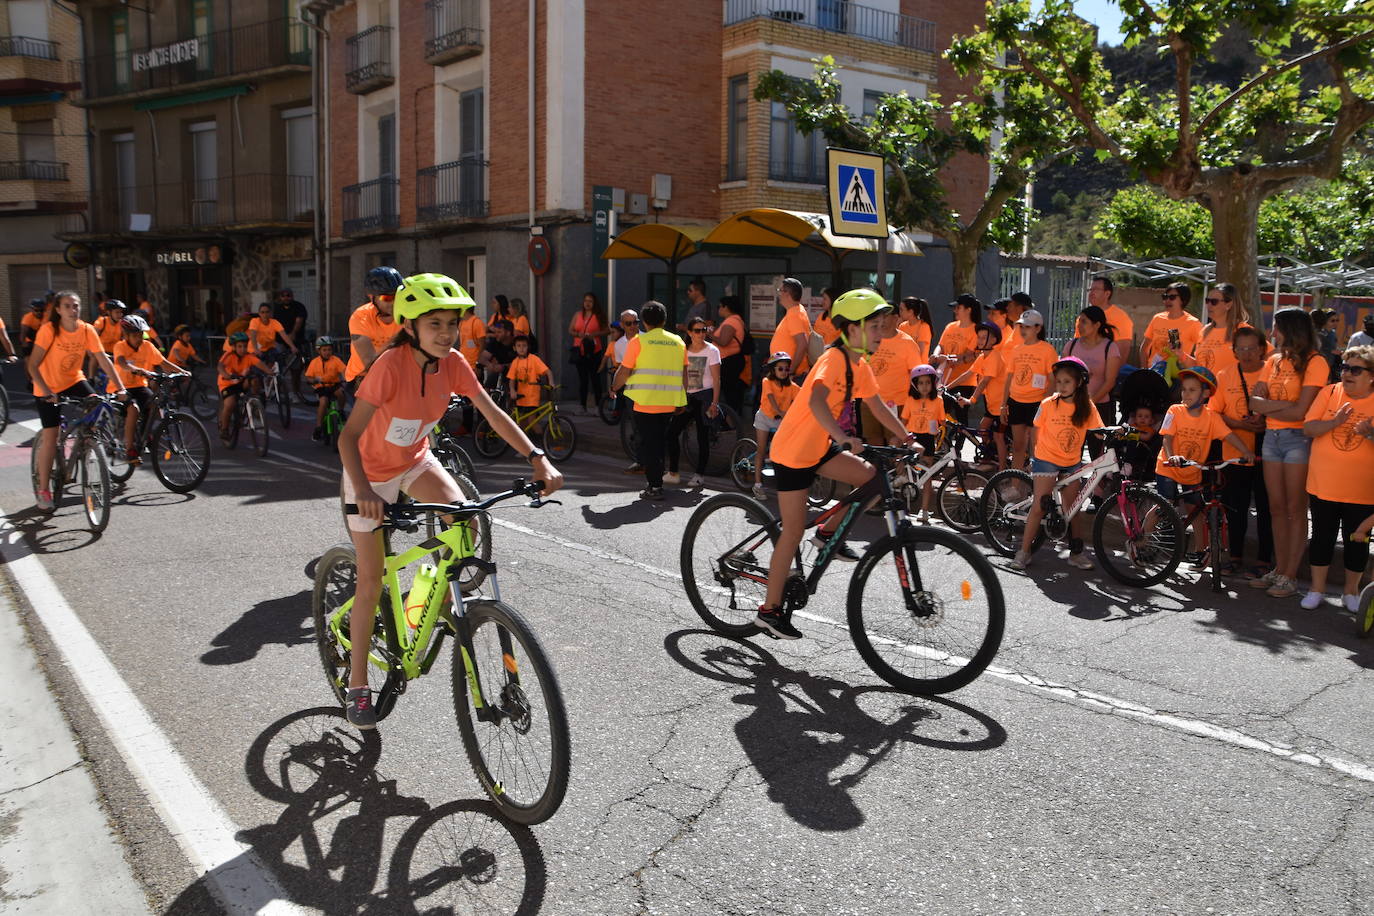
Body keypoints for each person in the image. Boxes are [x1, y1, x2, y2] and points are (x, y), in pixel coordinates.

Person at [339, 272, 561, 729]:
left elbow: (493, 412)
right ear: (410, 327)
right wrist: (362, 491)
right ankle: (358, 684)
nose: (446, 333)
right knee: (370, 579)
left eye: (451, 324)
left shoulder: (455, 362)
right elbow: (348, 437)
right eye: (434, 324)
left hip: (416, 461)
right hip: (370, 472)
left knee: (467, 520)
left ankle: (436, 604)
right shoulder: (389, 366)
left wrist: (537, 457)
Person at [754, 289, 917, 640]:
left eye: (882, 325)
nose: (881, 332)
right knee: (792, 532)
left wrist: (907, 439)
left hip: (819, 447)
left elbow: (877, 405)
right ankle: (768, 611)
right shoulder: (834, 359)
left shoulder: (860, 364)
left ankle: (827, 533)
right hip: (793, 453)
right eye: (874, 326)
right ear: (852, 330)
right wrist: (841, 437)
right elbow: (815, 401)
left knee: (872, 479)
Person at [1247, 307, 1327, 598]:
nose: (1272, 333)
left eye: (1277, 327)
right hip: (1271, 436)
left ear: (1290, 329)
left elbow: (1302, 411)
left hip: (1298, 439)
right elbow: (1254, 402)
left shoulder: (1315, 362)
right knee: (1276, 508)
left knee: (1295, 509)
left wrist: (1270, 405)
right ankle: (1279, 570)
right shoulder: (1274, 360)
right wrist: (1281, 407)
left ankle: (1290, 575)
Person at [29, 292, 126, 509]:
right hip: (46, 386)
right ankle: (44, 489)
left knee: (98, 402)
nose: (73, 310)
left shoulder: (87, 330)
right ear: (58, 310)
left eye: (76, 306)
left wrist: (120, 387)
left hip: (74, 380)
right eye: (68, 306)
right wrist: (46, 391)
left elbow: (103, 359)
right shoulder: (49, 330)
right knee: (51, 436)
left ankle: (87, 442)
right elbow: (32, 365)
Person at [1299, 344, 1374, 612]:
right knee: (1321, 537)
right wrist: (1334, 422)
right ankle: (1316, 589)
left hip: (1363, 489)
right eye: (1344, 367)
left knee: (1357, 540)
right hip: (1324, 484)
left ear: (1371, 376)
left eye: (1356, 369)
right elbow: (1308, 428)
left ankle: (1351, 592)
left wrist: (1370, 433)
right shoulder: (1329, 392)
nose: (1347, 373)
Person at [1155, 366, 1256, 563]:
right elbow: (1166, 438)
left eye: (1192, 390)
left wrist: (1245, 452)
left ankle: (1200, 551)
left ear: (1206, 393)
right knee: (1163, 505)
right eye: (1184, 389)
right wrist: (1172, 457)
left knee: (1197, 509)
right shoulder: (1174, 410)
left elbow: (1229, 436)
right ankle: (1140, 544)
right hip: (1168, 466)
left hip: (1192, 469)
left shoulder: (1212, 417)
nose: (1186, 394)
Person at [1011, 356, 1101, 571]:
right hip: (1047, 460)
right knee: (1039, 507)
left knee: (1073, 509)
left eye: (1067, 382)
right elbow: (1035, 429)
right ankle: (1024, 552)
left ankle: (1076, 554)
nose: (1061, 386)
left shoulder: (1086, 406)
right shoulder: (1048, 404)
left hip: (1071, 462)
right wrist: (1034, 457)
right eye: (1058, 382)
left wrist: (1115, 433)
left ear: (1079, 383)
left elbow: (1098, 431)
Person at [1209, 327, 1273, 578]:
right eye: (1241, 348)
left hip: (1268, 449)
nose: (1246, 354)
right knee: (1235, 506)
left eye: (1252, 348)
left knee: (1267, 508)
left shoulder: (1272, 372)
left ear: (1262, 349)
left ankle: (1264, 560)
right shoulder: (1224, 375)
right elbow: (1214, 414)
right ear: (1234, 351)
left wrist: (1265, 421)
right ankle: (1233, 556)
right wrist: (1241, 424)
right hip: (1234, 451)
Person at [611, 301, 686, 501]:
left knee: (651, 445)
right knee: (659, 442)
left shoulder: (637, 342)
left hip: (644, 403)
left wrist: (613, 387)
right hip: (669, 403)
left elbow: (624, 371)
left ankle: (654, 486)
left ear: (643, 322)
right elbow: (684, 374)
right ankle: (656, 481)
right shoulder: (678, 341)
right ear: (664, 319)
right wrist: (682, 400)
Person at [111, 314, 183, 465]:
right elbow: (122, 363)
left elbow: (163, 362)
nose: (139, 338)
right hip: (120, 387)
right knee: (134, 409)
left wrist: (182, 371)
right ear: (126, 335)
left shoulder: (147, 346)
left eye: (141, 334)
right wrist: (137, 370)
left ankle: (145, 434)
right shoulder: (120, 346)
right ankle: (130, 449)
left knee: (155, 406)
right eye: (135, 335)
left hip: (139, 386)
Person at [665, 317, 721, 488]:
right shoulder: (683, 349)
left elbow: (717, 379)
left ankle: (699, 474)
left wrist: (714, 403)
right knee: (671, 433)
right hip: (686, 397)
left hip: (705, 396)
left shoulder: (712, 350)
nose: (701, 334)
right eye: (697, 331)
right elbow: (679, 375)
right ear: (689, 332)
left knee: (702, 437)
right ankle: (673, 472)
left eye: (704, 330)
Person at [1002, 309, 1057, 470]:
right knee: (1018, 447)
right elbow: (1009, 378)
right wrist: (1003, 405)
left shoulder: (1047, 350)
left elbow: (1052, 380)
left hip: (1037, 404)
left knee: (1036, 446)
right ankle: (1015, 484)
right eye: (1021, 327)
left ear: (1038, 328)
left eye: (1027, 327)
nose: (1023, 330)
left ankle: (1036, 485)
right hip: (1016, 402)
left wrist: (1044, 404)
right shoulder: (1016, 349)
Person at [1063, 305, 1124, 450]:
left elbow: (1110, 382)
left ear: (1097, 325)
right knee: (1069, 451)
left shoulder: (1109, 348)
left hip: (1099, 407)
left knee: (1098, 453)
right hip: (1072, 406)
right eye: (1079, 321)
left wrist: (1090, 403)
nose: (1079, 325)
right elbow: (1062, 376)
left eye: (1084, 321)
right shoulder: (1071, 345)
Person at [861, 305, 922, 444]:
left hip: (896, 403)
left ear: (896, 318)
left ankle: (896, 466)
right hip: (869, 401)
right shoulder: (870, 338)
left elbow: (917, 375)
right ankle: (879, 467)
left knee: (896, 443)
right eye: (879, 316)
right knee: (874, 443)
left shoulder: (907, 343)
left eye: (885, 315)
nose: (881, 320)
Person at [951, 321, 1008, 469]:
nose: (980, 340)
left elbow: (984, 382)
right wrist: (947, 386)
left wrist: (971, 400)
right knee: (983, 427)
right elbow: (968, 373)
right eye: (979, 337)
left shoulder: (994, 356)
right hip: (992, 405)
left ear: (994, 340)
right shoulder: (982, 356)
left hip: (1002, 405)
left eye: (984, 337)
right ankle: (990, 455)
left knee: (998, 436)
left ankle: (1002, 470)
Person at [902, 364, 946, 524]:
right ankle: (904, 507)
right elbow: (903, 420)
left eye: (927, 382)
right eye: (920, 383)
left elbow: (942, 421)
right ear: (915, 384)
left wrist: (941, 425)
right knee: (907, 474)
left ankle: (925, 509)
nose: (924, 386)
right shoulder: (910, 400)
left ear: (933, 383)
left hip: (928, 439)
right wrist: (901, 436)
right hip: (912, 438)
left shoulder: (938, 401)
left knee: (927, 476)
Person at [751, 351, 798, 499]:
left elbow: (803, 396)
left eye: (786, 369)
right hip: (764, 417)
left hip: (780, 420)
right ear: (773, 370)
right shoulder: (767, 382)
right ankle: (757, 485)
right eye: (780, 369)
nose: (784, 372)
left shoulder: (791, 386)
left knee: (783, 450)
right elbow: (770, 398)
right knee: (761, 449)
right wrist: (781, 411)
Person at [347, 267, 404, 386]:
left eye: (397, 296)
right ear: (371, 297)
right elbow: (369, 361)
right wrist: (402, 334)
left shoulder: (408, 315)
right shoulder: (360, 317)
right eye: (387, 298)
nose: (394, 302)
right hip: (363, 376)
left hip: (396, 375)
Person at [1183, 283, 1251, 375]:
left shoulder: (1243, 330)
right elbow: (1199, 367)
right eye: (1207, 301)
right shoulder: (1205, 331)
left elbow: (1269, 356)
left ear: (1229, 304)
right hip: (1207, 389)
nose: (1209, 305)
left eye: (1214, 302)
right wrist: (1180, 355)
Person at [217, 331, 271, 442]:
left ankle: (255, 403)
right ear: (234, 347)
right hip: (227, 384)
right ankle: (224, 429)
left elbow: (259, 364)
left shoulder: (248, 356)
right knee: (230, 404)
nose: (243, 349)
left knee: (255, 379)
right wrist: (226, 375)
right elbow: (220, 366)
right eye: (240, 347)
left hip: (241, 381)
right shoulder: (228, 355)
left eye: (245, 346)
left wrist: (270, 371)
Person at [934, 295, 982, 411]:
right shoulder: (950, 326)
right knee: (942, 415)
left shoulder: (976, 330)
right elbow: (941, 345)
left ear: (968, 310)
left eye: (958, 307)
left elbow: (968, 354)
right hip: (945, 380)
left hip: (964, 382)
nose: (955, 310)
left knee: (960, 418)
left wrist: (947, 358)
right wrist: (935, 355)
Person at [1140, 281, 1203, 368]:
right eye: (1165, 297)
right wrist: (1144, 370)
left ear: (1183, 300)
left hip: (1177, 375)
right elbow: (1144, 348)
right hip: (1154, 372)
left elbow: (1202, 355)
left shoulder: (1193, 323)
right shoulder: (1157, 318)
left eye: (1172, 297)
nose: (1167, 300)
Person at [568, 291, 606, 413]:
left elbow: (607, 330)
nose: (587, 303)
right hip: (580, 350)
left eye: (590, 301)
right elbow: (570, 330)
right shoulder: (578, 315)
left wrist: (594, 335)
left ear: (594, 303)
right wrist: (578, 334)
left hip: (594, 350)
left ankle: (597, 407)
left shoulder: (598, 315)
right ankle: (582, 406)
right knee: (583, 380)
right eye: (585, 301)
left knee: (595, 379)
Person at [305, 336, 347, 440]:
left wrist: (345, 379)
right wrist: (313, 381)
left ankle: (341, 411)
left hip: (334, 385)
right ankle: (318, 427)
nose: (327, 352)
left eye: (329, 349)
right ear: (318, 351)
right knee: (323, 402)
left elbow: (343, 370)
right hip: (321, 387)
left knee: (341, 393)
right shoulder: (314, 362)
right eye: (324, 350)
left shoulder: (336, 360)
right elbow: (308, 376)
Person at [713, 295, 749, 415]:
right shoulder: (737, 320)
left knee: (728, 393)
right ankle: (731, 419)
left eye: (719, 306)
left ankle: (728, 420)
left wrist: (709, 333)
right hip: (732, 360)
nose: (718, 309)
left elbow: (723, 342)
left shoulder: (731, 321)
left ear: (726, 307)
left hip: (728, 362)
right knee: (731, 392)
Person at [768, 278, 812, 375]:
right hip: (785, 373)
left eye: (780, 290)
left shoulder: (794, 314)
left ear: (787, 294)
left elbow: (802, 344)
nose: (778, 294)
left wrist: (791, 370)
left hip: (791, 375)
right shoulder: (797, 310)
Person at [1084, 277, 1135, 357]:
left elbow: (1123, 350)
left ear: (1107, 294)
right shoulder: (1083, 316)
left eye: (1096, 289)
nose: (1091, 293)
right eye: (1090, 290)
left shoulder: (1121, 317)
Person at [274, 288, 309, 398]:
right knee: (278, 369)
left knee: (296, 369)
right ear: (280, 297)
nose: (286, 297)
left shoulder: (299, 307)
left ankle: (295, 392)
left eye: (288, 295)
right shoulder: (277, 309)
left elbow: (299, 321)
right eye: (283, 295)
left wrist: (293, 333)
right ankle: (277, 392)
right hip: (280, 342)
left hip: (296, 342)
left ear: (292, 296)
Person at [248, 302, 298, 373]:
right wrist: (255, 349)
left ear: (270, 314)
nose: (265, 315)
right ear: (259, 313)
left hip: (269, 348)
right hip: (256, 349)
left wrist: (292, 347)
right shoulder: (254, 321)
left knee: (278, 360)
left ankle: (275, 378)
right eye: (262, 312)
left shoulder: (274, 323)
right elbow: (253, 335)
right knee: (257, 371)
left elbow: (284, 335)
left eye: (267, 312)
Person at [507, 334, 551, 411]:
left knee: (532, 420)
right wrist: (512, 390)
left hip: (533, 396)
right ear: (514, 348)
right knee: (522, 422)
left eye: (524, 346)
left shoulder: (534, 359)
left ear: (528, 347)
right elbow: (512, 379)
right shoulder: (515, 362)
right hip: (520, 396)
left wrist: (551, 382)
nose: (522, 348)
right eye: (519, 346)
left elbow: (548, 371)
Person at [478, 319, 515, 389]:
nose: (496, 334)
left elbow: (523, 361)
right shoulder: (494, 342)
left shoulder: (517, 343)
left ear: (508, 333)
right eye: (495, 332)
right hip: (499, 372)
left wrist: (503, 366)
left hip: (516, 373)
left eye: (499, 332)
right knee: (491, 378)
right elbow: (482, 358)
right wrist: (491, 365)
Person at [897, 296, 933, 362]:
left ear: (910, 312)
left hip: (919, 369)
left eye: (901, 309)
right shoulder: (902, 326)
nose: (899, 312)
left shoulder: (924, 327)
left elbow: (919, 351)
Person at [457, 296, 487, 370]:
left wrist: (478, 364)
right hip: (463, 362)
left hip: (474, 365)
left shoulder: (477, 322)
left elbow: (482, 345)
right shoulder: (461, 323)